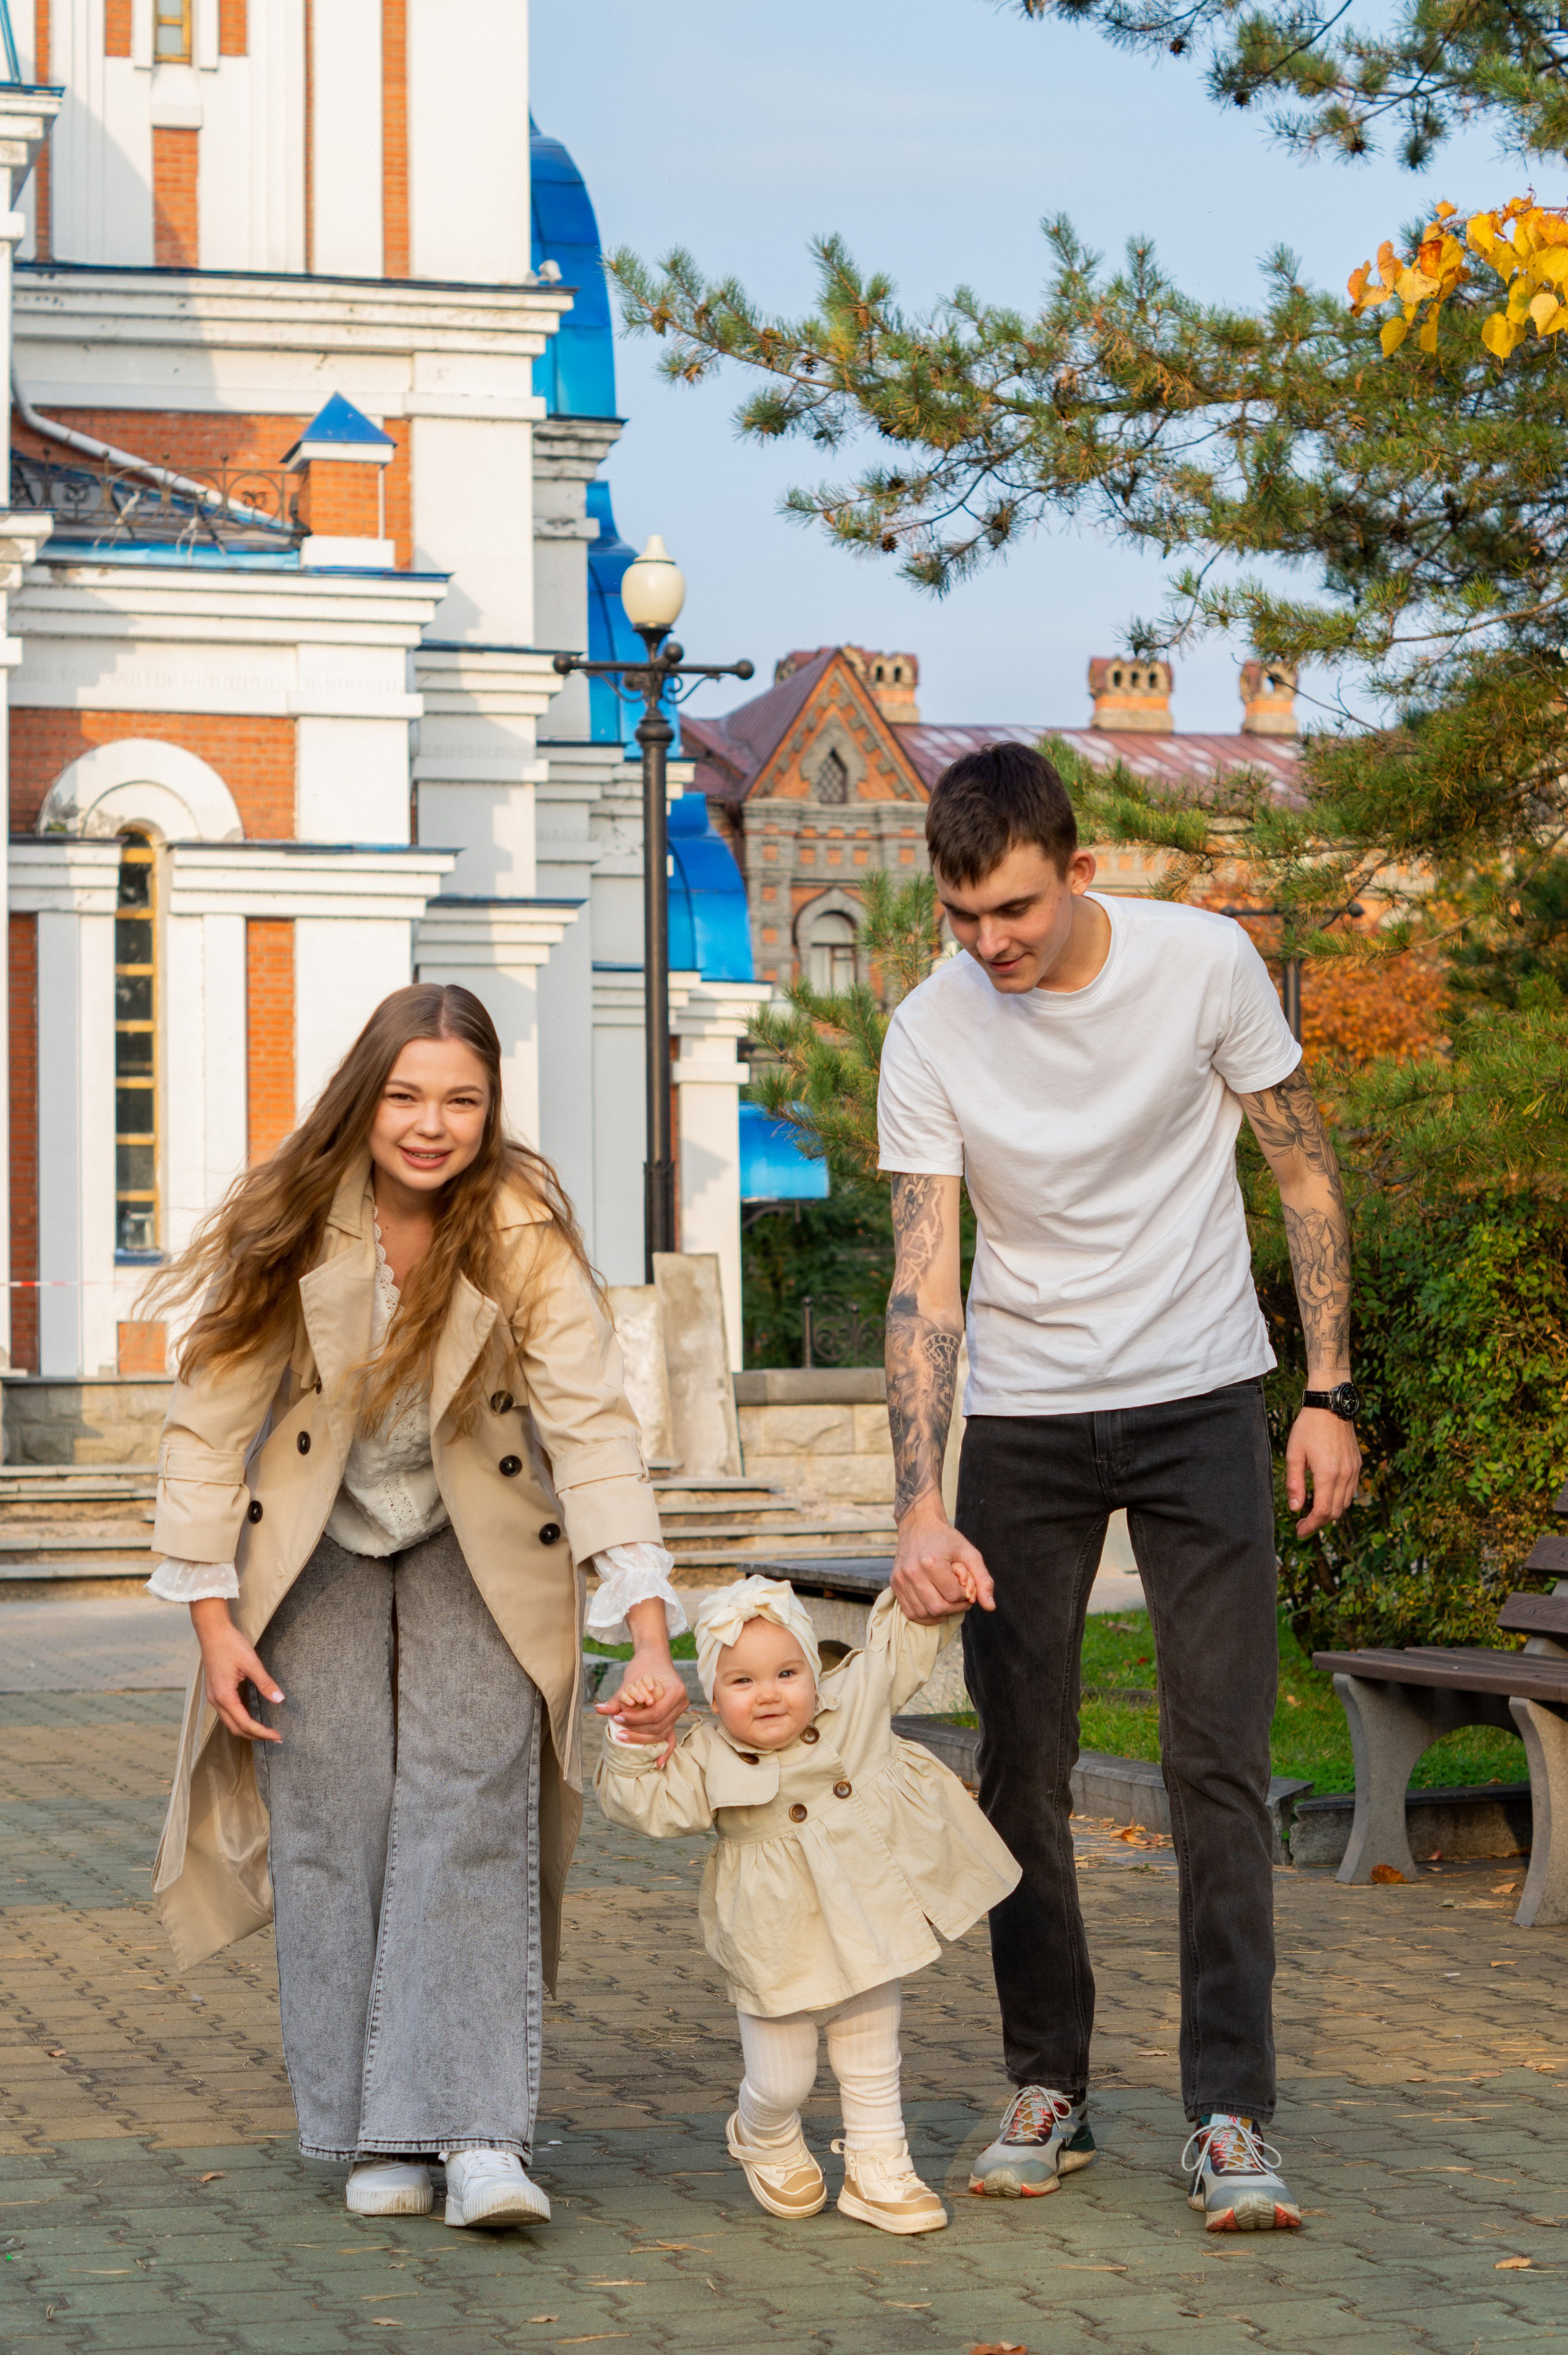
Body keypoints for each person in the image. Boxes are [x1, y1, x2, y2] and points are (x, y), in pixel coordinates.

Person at [876, 742, 1361, 2232]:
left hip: (1200, 1393)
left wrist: (1327, 1390)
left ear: (1077, 870)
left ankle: (1226, 2112)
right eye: (961, 919)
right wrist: (917, 1496)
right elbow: (922, 1274)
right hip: (1024, 1412)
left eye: (1011, 909)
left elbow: (1299, 1176)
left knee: (1214, 1761)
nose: (989, 944)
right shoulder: (929, 1029)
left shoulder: (1203, 964)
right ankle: (1050, 2083)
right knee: (1015, 1762)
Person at [144, 983, 688, 2228]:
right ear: (364, 1093)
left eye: (461, 1097)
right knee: (334, 1813)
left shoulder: (518, 1231)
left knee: (472, 1806)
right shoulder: (288, 1217)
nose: (430, 1123)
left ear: (491, 1107)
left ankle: (481, 2132)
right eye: (405, 1094)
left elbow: (592, 1425)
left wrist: (648, 1622)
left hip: (472, 1534)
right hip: (313, 1541)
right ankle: (369, 2128)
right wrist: (212, 1618)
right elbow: (207, 1420)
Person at [595, 1573, 1020, 2235]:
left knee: (872, 2053)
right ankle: (762, 2129)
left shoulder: (850, 1701)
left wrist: (937, 1589)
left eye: (787, 1671)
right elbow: (644, 1803)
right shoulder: (706, 1754)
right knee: (784, 2078)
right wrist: (636, 1736)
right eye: (741, 1681)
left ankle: (880, 2166)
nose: (768, 1692)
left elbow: (900, 1646)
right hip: (774, 1936)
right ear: (711, 1692)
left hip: (866, 1914)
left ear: (813, 1674)